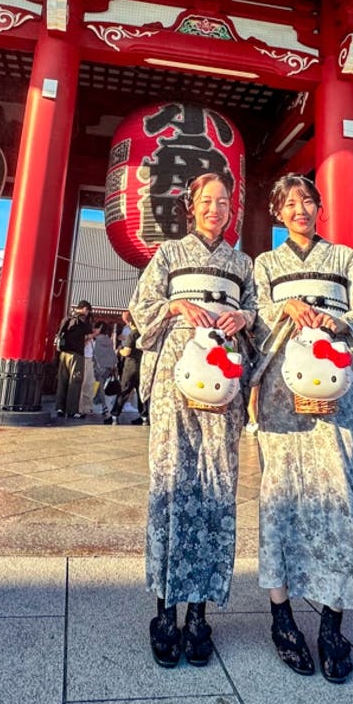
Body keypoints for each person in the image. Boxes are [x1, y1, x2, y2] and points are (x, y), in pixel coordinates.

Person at [250, 174, 353, 684]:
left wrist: (339, 322)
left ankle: (332, 622)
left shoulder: (345, 260)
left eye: (308, 200)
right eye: (289, 203)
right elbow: (252, 317)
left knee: (339, 500)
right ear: (278, 213)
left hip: (336, 394)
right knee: (279, 497)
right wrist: (283, 309)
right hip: (284, 401)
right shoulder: (267, 264)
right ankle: (281, 618)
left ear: (319, 207)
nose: (300, 209)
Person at [128, 171, 255, 670]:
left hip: (223, 387)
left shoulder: (242, 263)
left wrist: (244, 318)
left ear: (231, 209)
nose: (215, 208)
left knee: (215, 487)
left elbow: (260, 317)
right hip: (173, 387)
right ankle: (164, 611)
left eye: (224, 201)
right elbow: (141, 307)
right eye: (207, 201)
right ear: (192, 206)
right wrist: (175, 304)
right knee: (171, 485)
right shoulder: (167, 255)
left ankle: (199, 614)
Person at [55, 300, 93, 419]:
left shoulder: (67, 318)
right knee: (75, 381)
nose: (87, 313)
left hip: (64, 353)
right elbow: (88, 336)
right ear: (84, 309)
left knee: (62, 381)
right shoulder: (82, 320)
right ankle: (72, 410)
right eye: (88, 311)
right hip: (76, 355)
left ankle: (60, 408)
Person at [114, 313, 146, 425]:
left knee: (124, 390)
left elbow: (127, 352)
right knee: (141, 392)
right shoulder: (144, 334)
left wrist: (119, 351)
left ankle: (115, 414)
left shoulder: (132, 335)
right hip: (141, 366)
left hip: (130, 366)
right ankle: (144, 417)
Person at [90, 320, 118, 421]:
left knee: (98, 387)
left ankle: (104, 407)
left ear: (98, 329)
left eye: (95, 328)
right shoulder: (109, 341)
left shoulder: (96, 340)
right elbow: (112, 354)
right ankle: (103, 406)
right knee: (100, 387)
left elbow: (95, 354)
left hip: (98, 367)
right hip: (107, 368)